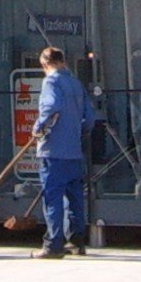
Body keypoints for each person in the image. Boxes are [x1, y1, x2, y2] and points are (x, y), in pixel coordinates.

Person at [31, 46, 94, 258]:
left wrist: (38, 128)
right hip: (74, 152)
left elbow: (50, 106)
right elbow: (90, 118)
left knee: (53, 199)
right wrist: (77, 132)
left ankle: (53, 245)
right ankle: (77, 242)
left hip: (53, 151)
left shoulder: (51, 81)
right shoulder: (76, 84)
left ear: (46, 63)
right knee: (75, 199)